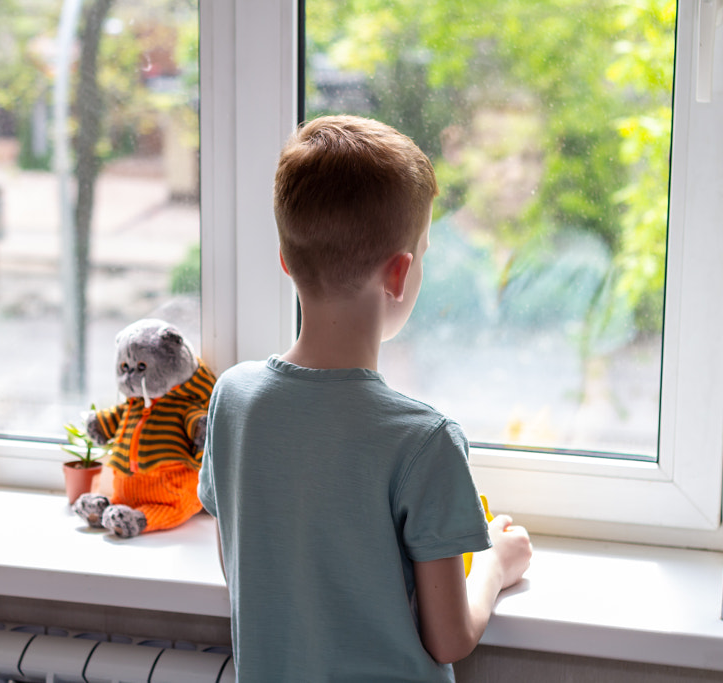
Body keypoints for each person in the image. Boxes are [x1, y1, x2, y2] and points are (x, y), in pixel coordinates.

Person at [197, 115, 533, 682]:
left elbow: (243, 570)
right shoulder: (423, 439)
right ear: (400, 273)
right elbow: (448, 638)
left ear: (285, 259)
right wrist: (496, 566)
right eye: (422, 251)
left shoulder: (233, 399)